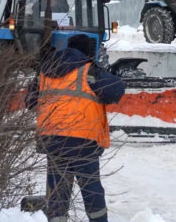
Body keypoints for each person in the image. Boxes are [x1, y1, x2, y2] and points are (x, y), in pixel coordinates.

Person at [25, 34, 125, 222]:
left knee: (57, 191)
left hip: (52, 139)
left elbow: (30, 101)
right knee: (91, 189)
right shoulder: (90, 71)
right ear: (88, 53)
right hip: (83, 140)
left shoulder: (45, 72)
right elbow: (115, 92)